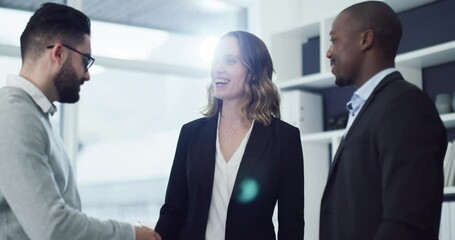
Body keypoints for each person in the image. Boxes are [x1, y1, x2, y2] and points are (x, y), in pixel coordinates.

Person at [0, 3, 160, 240]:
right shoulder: (14, 115)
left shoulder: (35, 116)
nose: (86, 75)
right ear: (58, 53)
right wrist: (132, 234)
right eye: (85, 62)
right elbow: (53, 228)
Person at [155, 30, 304, 240]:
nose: (218, 69)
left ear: (253, 71)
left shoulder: (284, 138)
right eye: (215, 62)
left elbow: (292, 223)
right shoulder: (191, 133)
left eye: (230, 61)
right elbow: (172, 211)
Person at [320, 1, 447, 240]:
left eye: (334, 40)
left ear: (365, 40)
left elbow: (407, 221)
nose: (329, 52)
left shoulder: (407, 106)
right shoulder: (368, 106)